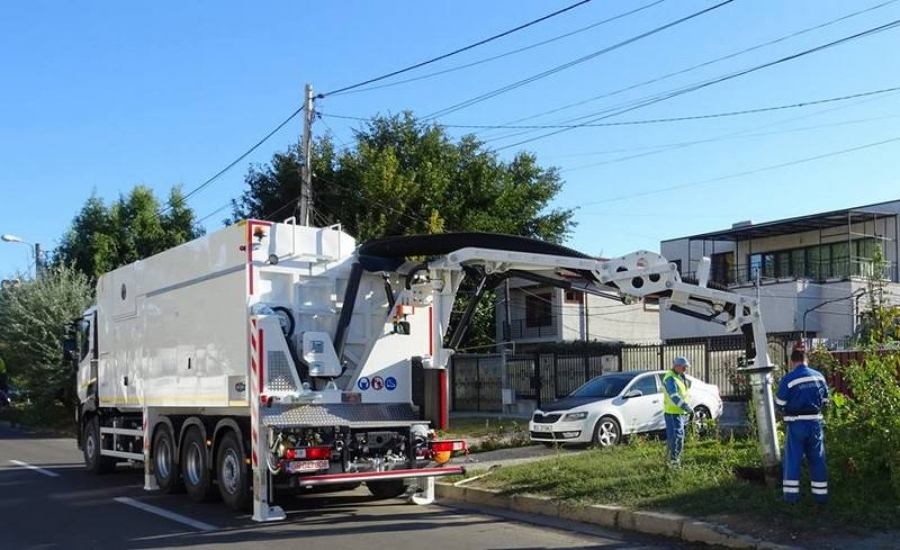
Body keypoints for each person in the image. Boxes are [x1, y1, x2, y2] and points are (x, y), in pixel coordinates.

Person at [775, 346, 829, 503]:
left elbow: (779, 403)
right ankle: (821, 497)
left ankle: (791, 498)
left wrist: (784, 412)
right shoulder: (819, 377)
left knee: (793, 460)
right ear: (807, 360)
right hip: (815, 423)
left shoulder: (789, 379)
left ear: (793, 362)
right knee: (817, 459)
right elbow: (826, 401)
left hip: (796, 423)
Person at [663, 356, 693, 465]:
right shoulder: (670, 378)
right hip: (673, 412)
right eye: (684, 367)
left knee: (676, 437)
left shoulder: (679, 376)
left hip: (678, 412)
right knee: (677, 437)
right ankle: (674, 461)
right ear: (677, 366)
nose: (686, 369)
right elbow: (674, 397)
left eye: (686, 367)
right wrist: (685, 406)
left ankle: (672, 460)